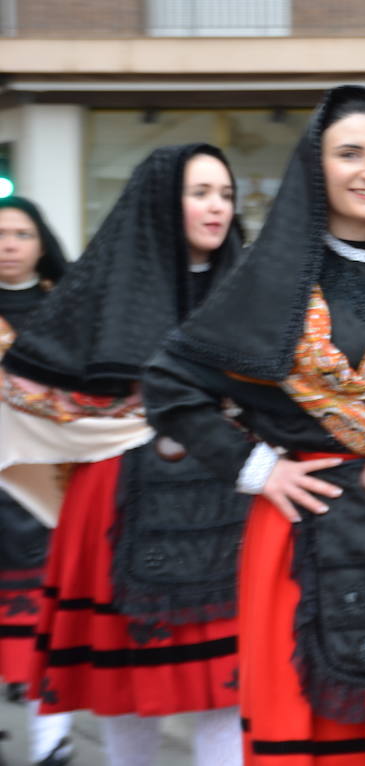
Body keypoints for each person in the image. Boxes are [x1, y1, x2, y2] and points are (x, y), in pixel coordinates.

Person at [144, 86, 365, 765]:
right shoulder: (270, 280)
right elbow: (170, 386)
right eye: (349, 154)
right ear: (317, 166)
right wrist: (260, 470)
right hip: (305, 538)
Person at [0, 146, 244, 766]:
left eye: (224, 193)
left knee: (227, 690)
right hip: (120, 504)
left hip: (225, 501)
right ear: (164, 200)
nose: (216, 207)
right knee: (127, 689)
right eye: (200, 192)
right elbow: (26, 396)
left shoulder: (252, 287)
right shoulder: (102, 290)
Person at [0, 196, 72, 766]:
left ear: (40, 242)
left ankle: (53, 743)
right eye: (0, 233)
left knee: (47, 621)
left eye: (21, 233)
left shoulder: (67, 308)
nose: (8, 244)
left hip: (47, 484)